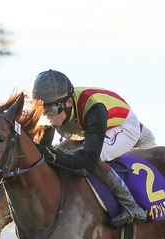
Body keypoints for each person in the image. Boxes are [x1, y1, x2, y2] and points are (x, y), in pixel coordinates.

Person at [32, 69, 152, 227]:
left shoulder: (93, 107)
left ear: (68, 103)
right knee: (62, 154)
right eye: (42, 111)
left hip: (123, 126)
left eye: (51, 111)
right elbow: (44, 150)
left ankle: (130, 205)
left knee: (89, 157)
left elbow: (89, 160)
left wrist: (54, 156)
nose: (47, 117)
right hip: (86, 128)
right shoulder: (54, 108)